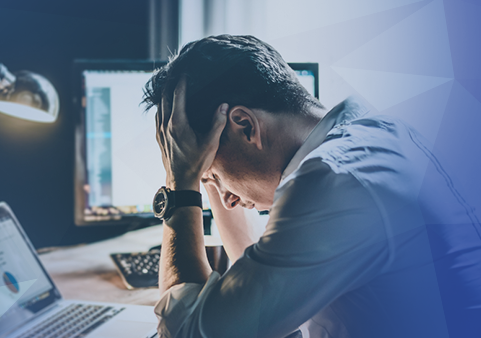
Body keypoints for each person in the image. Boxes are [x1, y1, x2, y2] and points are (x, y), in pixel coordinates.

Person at [142, 35, 481, 338]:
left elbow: (190, 333)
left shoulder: (333, 182)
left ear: (246, 126)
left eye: (212, 177)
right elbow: (258, 290)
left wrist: (180, 182)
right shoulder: (374, 136)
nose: (226, 200)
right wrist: (206, 171)